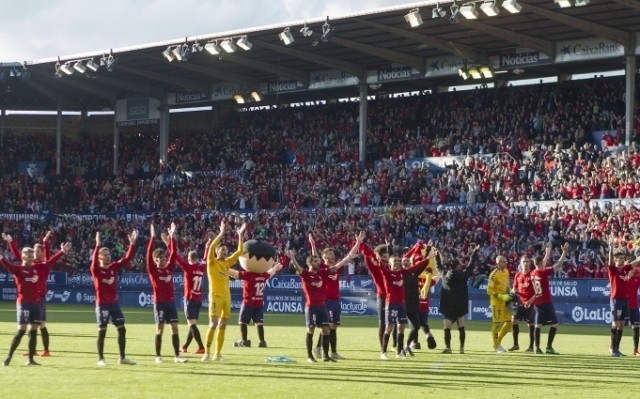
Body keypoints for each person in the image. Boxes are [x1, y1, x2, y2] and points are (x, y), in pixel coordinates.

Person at [285, 239, 358, 363]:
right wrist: (293, 259)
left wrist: (348, 258)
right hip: (311, 306)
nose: (318, 262)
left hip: (322, 307)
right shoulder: (306, 274)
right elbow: (299, 268)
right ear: (310, 263)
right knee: (311, 330)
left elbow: (335, 266)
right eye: (316, 260)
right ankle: (310, 356)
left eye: (318, 260)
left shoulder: (322, 273)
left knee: (325, 329)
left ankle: (326, 356)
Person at [1, 242, 71, 366]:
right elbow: (6, 263)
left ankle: (31, 359)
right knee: (21, 330)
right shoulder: (18, 269)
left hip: (36, 304)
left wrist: (62, 252)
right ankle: (8, 357)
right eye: (28, 255)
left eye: (32, 255)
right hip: (23, 303)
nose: (31, 257)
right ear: (22, 257)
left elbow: (50, 262)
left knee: (33, 331)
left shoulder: (38, 268)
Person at [3, 231, 58, 357]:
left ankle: (46, 350)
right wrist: (10, 242)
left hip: (40, 297)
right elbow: (18, 256)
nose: (35, 253)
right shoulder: (30, 265)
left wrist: (45, 242)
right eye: (34, 251)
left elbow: (50, 258)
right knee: (30, 326)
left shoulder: (43, 265)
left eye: (38, 251)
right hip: (30, 298)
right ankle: (32, 350)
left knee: (41, 324)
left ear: (42, 253)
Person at [91, 230, 138, 366]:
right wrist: (97, 245)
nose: (108, 257)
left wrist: (132, 245)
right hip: (102, 304)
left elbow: (127, 259)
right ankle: (101, 358)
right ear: (99, 257)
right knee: (102, 331)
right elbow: (93, 264)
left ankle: (122, 357)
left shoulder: (113, 267)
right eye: (104, 255)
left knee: (122, 329)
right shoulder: (96, 270)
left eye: (108, 255)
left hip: (114, 304)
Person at [201, 219, 246, 362]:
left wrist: (240, 235)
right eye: (222, 249)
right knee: (213, 324)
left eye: (226, 250)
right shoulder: (211, 262)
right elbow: (212, 246)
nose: (225, 251)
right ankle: (206, 353)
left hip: (227, 297)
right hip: (215, 297)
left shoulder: (227, 262)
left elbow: (240, 251)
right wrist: (221, 233)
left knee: (223, 325)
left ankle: (217, 354)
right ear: (217, 251)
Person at [380, 247, 435, 360]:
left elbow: (416, 267)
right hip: (391, 303)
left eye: (397, 261)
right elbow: (381, 267)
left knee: (401, 328)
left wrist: (428, 258)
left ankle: (399, 352)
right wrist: (381, 259)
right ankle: (383, 352)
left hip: (402, 304)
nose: (397, 263)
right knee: (389, 327)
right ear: (390, 264)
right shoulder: (387, 273)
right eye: (394, 261)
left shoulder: (403, 273)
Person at [163, 228, 210, 354]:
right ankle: (184, 347)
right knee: (192, 324)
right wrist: (207, 247)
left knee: (192, 325)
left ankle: (201, 347)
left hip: (189, 299)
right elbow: (205, 258)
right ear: (197, 258)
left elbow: (175, 257)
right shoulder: (201, 267)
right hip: (199, 299)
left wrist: (168, 243)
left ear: (189, 259)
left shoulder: (188, 267)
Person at [147, 223, 188, 364]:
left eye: (165, 258)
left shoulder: (168, 269)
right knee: (159, 329)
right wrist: (152, 237)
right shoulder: (153, 271)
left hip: (170, 303)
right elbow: (148, 255)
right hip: (159, 303)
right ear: (155, 260)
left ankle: (177, 356)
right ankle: (158, 356)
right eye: (161, 259)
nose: (164, 260)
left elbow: (174, 254)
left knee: (175, 328)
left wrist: (172, 237)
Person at [525, 242, 569, 355]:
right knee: (555, 324)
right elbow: (559, 265)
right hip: (546, 302)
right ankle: (549, 347)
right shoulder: (543, 273)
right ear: (540, 264)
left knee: (537, 325)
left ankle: (537, 348)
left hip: (537, 303)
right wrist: (564, 252)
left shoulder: (533, 273)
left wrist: (547, 254)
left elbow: (541, 264)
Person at [228, 261, 283, 348]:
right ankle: (262, 341)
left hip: (248, 302)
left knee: (242, 322)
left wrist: (223, 267)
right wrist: (275, 268)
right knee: (259, 323)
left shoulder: (249, 274)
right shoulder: (263, 274)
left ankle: (244, 341)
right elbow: (270, 273)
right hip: (259, 302)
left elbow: (235, 274)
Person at [436, 244, 479, 354]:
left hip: (448, 305)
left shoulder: (445, 276)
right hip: (460, 305)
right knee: (461, 327)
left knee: (447, 328)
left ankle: (448, 347)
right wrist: (474, 253)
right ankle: (461, 348)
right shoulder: (463, 276)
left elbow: (439, 266)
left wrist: (436, 255)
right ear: (458, 266)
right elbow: (470, 266)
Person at [309, 233, 346, 360]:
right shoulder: (323, 267)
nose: (332, 255)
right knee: (327, 326)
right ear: (324, 256)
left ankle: (334, 352)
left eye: (333, 253)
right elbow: (315, 257)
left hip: (336, 300)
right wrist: (313, 244)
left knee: (334, 326)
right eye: (330, 253)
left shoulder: (335, 268)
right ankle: (318, 347)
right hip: (327, 300)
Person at [606, 237, 640, 357]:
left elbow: (635, 262)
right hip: (616, 299)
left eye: (622, 258)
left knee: (621, 325)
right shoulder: (613, 270)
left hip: (624, 300)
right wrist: (611, 249)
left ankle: (616, 348)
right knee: (616, 323)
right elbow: (610, 261)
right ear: (615, 260)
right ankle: (612, 348)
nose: (622, 260)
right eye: (620, 258)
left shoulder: (625, 269)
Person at [358, 233, 391, 353]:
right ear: (380, 256)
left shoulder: (392, 265)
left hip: (395, 297)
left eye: (388, 256)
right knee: (382, 323)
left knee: (397, 323)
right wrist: (361, 243)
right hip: (382, 296)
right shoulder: (375, 267)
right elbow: (367, 255)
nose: (387, 258)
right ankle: (383, 348)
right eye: (385, 256)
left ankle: (397, 347)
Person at [509, 255, 539, 352]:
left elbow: (538, 291)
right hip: (520, 303)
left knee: (530, 324)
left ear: (530, 263)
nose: (525, 263)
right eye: (523, 262)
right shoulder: (518, 275)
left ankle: (530, 347)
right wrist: (513, 292)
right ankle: (515, 344)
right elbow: (515, 288)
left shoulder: (533, 275)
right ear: (520, 263)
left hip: (530, 303)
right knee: (514, 320)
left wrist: (530, 301)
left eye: (527, 261)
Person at [487, 255, 513, 353]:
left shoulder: (506, 271)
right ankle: (496, 347)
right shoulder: (494, 274)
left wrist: (510, 292)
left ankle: (497, 343)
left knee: (508, 322)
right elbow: (489, 290)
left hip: (505, 300)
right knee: (496, 323)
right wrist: (500, 296)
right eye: (503, 262)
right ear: (497, 263)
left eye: (506, 261)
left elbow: (507, 285)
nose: (506, 263)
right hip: (496, 301)